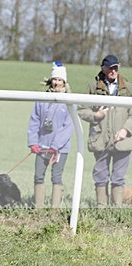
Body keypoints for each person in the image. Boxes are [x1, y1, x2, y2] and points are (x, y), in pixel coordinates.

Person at [77, 54, 132, 207]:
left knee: (118, 178)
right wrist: (96, 115)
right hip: (100, 140)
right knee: (101, 176)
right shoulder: (93, 87)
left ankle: (116, 209)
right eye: (110, 68)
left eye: (116, 68)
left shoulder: (128, 88)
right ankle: (101, 208)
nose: (113, 71)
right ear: (103, 68)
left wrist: (126, 130)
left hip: (123, 141)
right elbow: (81, 108)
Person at [27, 62, 74, 208]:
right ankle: (38, 208)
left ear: (64, 82)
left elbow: (68, 127)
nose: (57, 83)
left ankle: (55, 210)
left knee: (56, 177)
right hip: (41, 146)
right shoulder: (41, 98)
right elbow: (34, 121)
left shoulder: (70, 101)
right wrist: (33, 142)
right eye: (55, 79)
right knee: (38, 176)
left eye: (60, 80)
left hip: (60, 149)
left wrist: (55, 146)